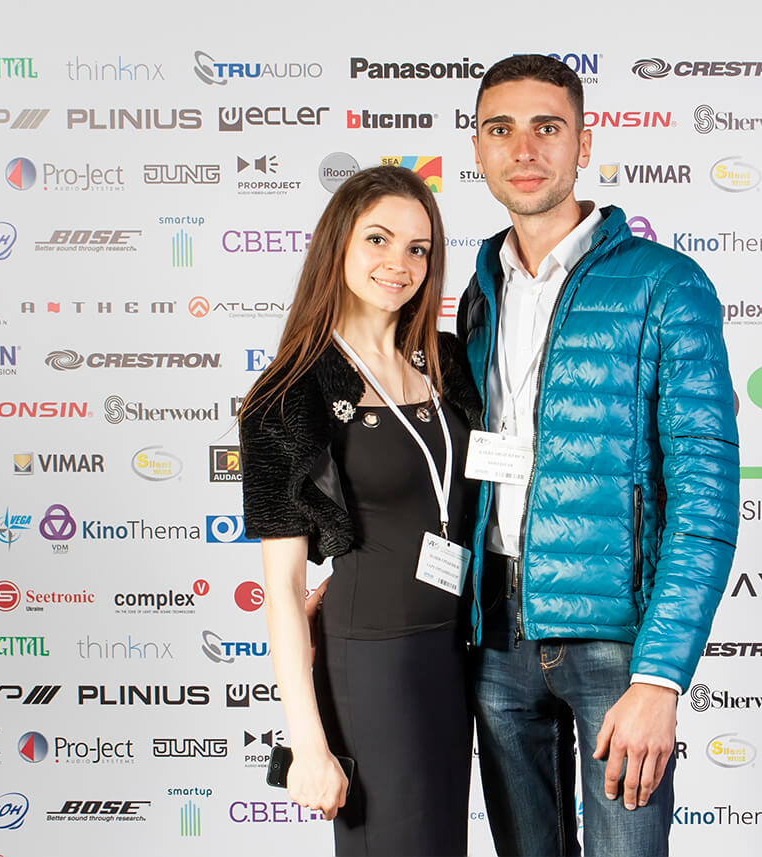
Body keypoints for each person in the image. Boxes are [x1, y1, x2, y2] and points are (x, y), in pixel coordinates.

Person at [458, 54, 740, 857]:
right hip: (495, 636)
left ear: (583, 144)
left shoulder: (666, 284)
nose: (523, 149)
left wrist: (660, 676)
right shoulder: (480, 290)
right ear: (477, 149)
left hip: (617, 646)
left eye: (547, 127)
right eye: (500, 129)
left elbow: (705, 495)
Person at [240, 165, 480, 857]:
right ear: (338, 242)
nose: (399, 263)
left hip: (456, 652)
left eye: (417, 248)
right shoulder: (288, 394)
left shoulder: (447, 363)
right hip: (372, 661)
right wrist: (309, 746)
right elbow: (285, 589)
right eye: (378, 238)